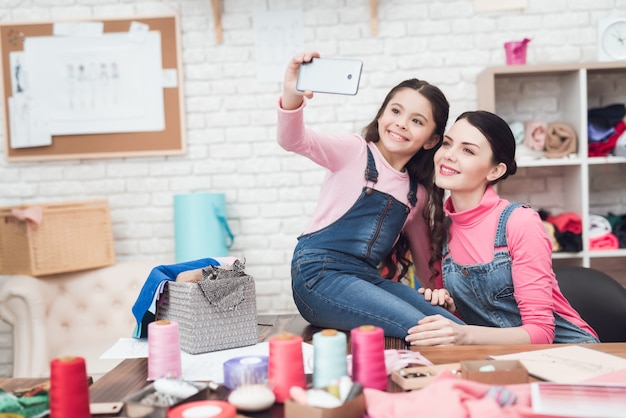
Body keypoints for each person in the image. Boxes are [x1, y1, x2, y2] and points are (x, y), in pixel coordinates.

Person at [277, 51, 463, 339]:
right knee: (425, 329)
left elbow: (425, 261)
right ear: (382, 114)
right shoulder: (354, 152)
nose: (401, 123)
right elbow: (293, 140)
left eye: (417, 121)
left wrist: (438, 295)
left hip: (365, 279)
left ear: (432, 140)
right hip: (318, 276)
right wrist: (292, 95)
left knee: (452, 326)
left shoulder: (417, 194)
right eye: (396, 111)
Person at [407, 110, 599, 345]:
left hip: (568, 354)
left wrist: (464, 334)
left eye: (467, 150)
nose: (449, 155)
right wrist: (452, 309)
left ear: (495, 170)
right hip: (502, 359)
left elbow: (541, 333)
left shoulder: (519, 222)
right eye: (448, 144)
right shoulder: (442, 232)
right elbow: (485, 322)